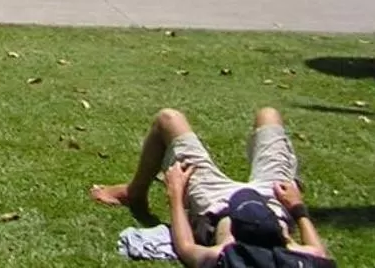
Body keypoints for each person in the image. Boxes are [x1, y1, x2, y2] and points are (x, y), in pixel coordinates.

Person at [90, 106, 332, 265]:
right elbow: (319, 251)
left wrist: (175, 195)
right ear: (284, 237)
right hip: (274, 199)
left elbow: (186, 248)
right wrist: (297, 207)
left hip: (215, 204)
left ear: (236, 236)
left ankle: (134, 193)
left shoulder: (229, 257)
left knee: (168, 119)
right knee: (269, 115)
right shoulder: (296, 260)